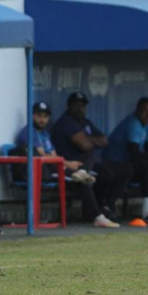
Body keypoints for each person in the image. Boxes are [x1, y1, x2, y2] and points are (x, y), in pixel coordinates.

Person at [17, 102, 119, 228]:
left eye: (45, 116)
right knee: (82, 181)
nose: (42, 119)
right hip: (43, 171)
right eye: (38, 115)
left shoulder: (45, 133)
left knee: (89, 157)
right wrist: (67, 163)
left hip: (55, 166)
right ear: (32, 116)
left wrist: (65, 164)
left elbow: (54, 154)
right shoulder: (28, 132)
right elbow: (42, 156)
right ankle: (98, 216)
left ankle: (83, 172)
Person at [52, 92, 132, 220]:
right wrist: (91, 141)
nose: (80, 108)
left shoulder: (85, 122)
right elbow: (84, 145)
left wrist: (88, 139)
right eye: (77, 105)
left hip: (91, 162)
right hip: (73, 164)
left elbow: (104, 140)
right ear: (69, 106)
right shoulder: (66, 122)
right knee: (104, 174)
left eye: (83, 105)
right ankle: (98, 211)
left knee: (126, 169)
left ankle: (107, 205)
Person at [104, 97, 148, 223]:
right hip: (116, 163)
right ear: (137, 111)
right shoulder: (133, 123)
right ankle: (147, 211)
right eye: (144, 111)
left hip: (131, 164)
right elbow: (134, 153)